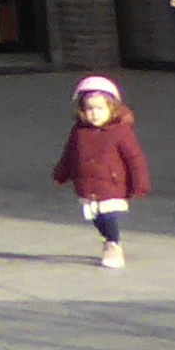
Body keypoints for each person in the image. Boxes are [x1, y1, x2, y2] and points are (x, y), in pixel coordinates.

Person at [53, 71, 151, 268]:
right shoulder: (79, 132)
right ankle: (108, 240)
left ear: (112, 108)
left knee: (109, 215)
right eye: (89, 109)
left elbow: (134, 159)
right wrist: (61, 174)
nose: (94, 113)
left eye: (99, 108)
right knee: (95, 217)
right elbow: (70, 155)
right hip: (87, 184)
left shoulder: (120, 131)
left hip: (112, 184)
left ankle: (114, 245)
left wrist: (140, 184)